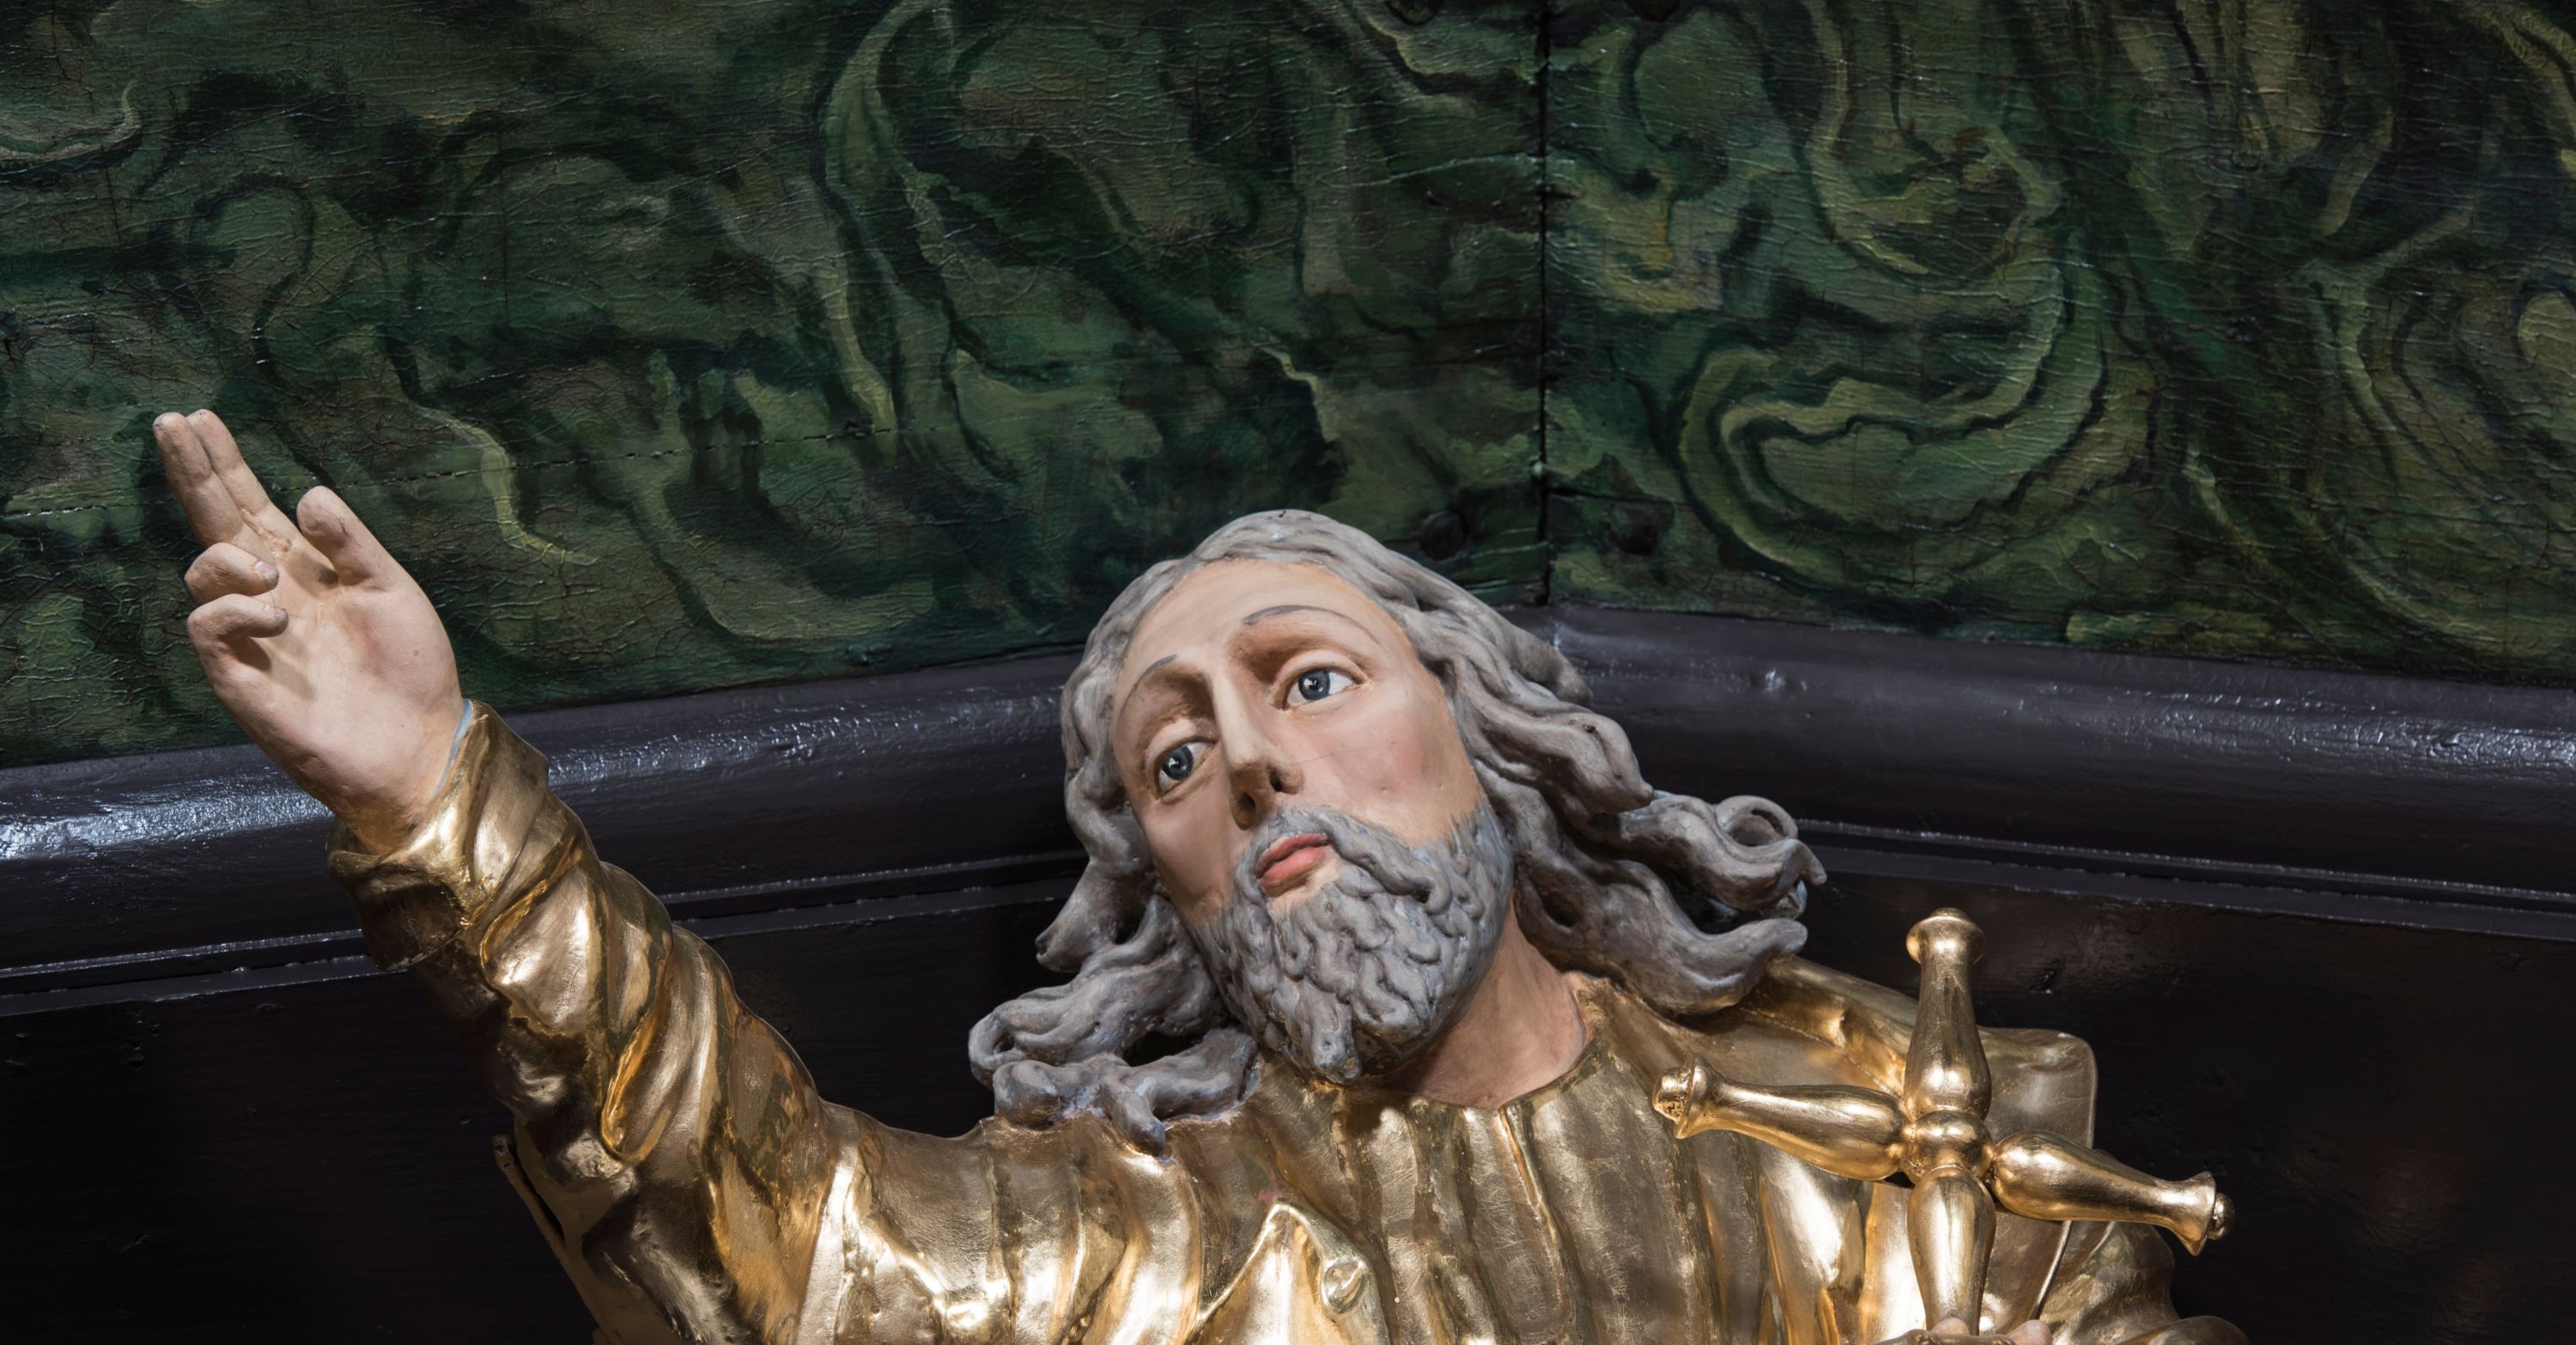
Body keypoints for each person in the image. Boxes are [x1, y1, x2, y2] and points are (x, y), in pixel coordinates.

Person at [155, 407, 2243, 1344]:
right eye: (1175, 757)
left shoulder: (1900, 1132)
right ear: (1170, 887)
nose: (1245, 758)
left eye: (1307, 680)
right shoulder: (1132, 1251)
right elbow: (763, 1243)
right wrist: (442, 800)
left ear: (1494, 743)